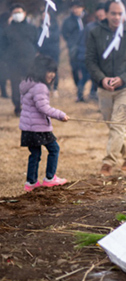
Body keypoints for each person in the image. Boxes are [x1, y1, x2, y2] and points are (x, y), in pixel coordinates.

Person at [86, 0, 126, 176]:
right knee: (113, 125)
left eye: (120, 13)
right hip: (104, 87)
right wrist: (101, 78)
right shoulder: (95, 32)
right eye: (113, 13)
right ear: (106, 14)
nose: (117, 17)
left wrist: (123, 78)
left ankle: (108, 162)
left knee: (118, 123)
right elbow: (90, 60)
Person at [19, 55, 69, 192]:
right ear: (41, 71)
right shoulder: (40, 87)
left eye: (54, 72)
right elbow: (44, 108)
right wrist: (61, 115)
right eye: (49, 71)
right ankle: (50, 178)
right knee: (54, 149)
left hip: (28, 128)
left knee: (35, 154)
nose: (52, 75)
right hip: (38, 128)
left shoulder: (27, 83)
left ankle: (31, 182)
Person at [3, 3, 38, 116]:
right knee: (16, 85)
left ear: (24, 13)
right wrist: (6, 59)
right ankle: (18, 106)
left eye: (19, 12)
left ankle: (31, 106)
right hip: (13, 62)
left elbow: (37, 43)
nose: (17, 15)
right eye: (15, 13)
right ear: (11, 15)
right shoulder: (7, 31)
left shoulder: (32, 28)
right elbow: (2, 47)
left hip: (29, 61)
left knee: (31, 85)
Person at [76, 3, 107, 102]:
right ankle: (80, 96)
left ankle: (93, 95)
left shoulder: (108, 28)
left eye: (103, 12)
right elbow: (82, 42)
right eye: (99, 12)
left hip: (100, 58)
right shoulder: (90, 27)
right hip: (87, 56)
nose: (101, 14)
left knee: (96, 78)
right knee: (84, 77)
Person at [61, 0, 85, 99]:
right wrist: (71, 42)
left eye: (78, 7)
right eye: (74, 8)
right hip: (73, 48)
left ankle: (86, 90)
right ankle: (79, 90)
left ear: (82, 8)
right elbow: (64, 33)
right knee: (75, 69)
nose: (76, 10)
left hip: (86, 47)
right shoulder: (67, 21)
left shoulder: (86, 19)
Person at [38, 10, 60, 98]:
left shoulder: (54, 26)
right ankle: (45, 88)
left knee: (54, 71)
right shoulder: (39, 28)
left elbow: (55, 37)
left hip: (53, 52)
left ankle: (55, 88)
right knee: (44, 71)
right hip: (43, 52)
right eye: (43, 16)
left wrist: (47, 32)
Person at [0, 12, 10, 99]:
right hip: (2, 55)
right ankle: (3, 92)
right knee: (2, 74)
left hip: (3, 55)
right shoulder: (3, 30)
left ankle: (3, 92)